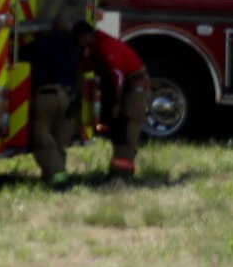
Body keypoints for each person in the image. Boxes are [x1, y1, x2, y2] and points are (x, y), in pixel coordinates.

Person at [75, 20, 150, 178]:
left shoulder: (106, 46)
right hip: (128, 91)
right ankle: (120, 172)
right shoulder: (96, 47)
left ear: (86, 36)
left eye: (78, 40)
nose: (78, 44)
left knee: (127, 133)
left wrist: (115, 103)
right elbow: (87, 67)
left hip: (135, 92)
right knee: (120, 132)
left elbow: (118, 76)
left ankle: (121, 175)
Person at [21, 24, 81, 188]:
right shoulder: (73, 47)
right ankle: (50, 178)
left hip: (46, 96)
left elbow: (20, 56)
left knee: (42, 139)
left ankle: (60, 178)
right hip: (68, 97)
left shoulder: (41, 44)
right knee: (59, 140)